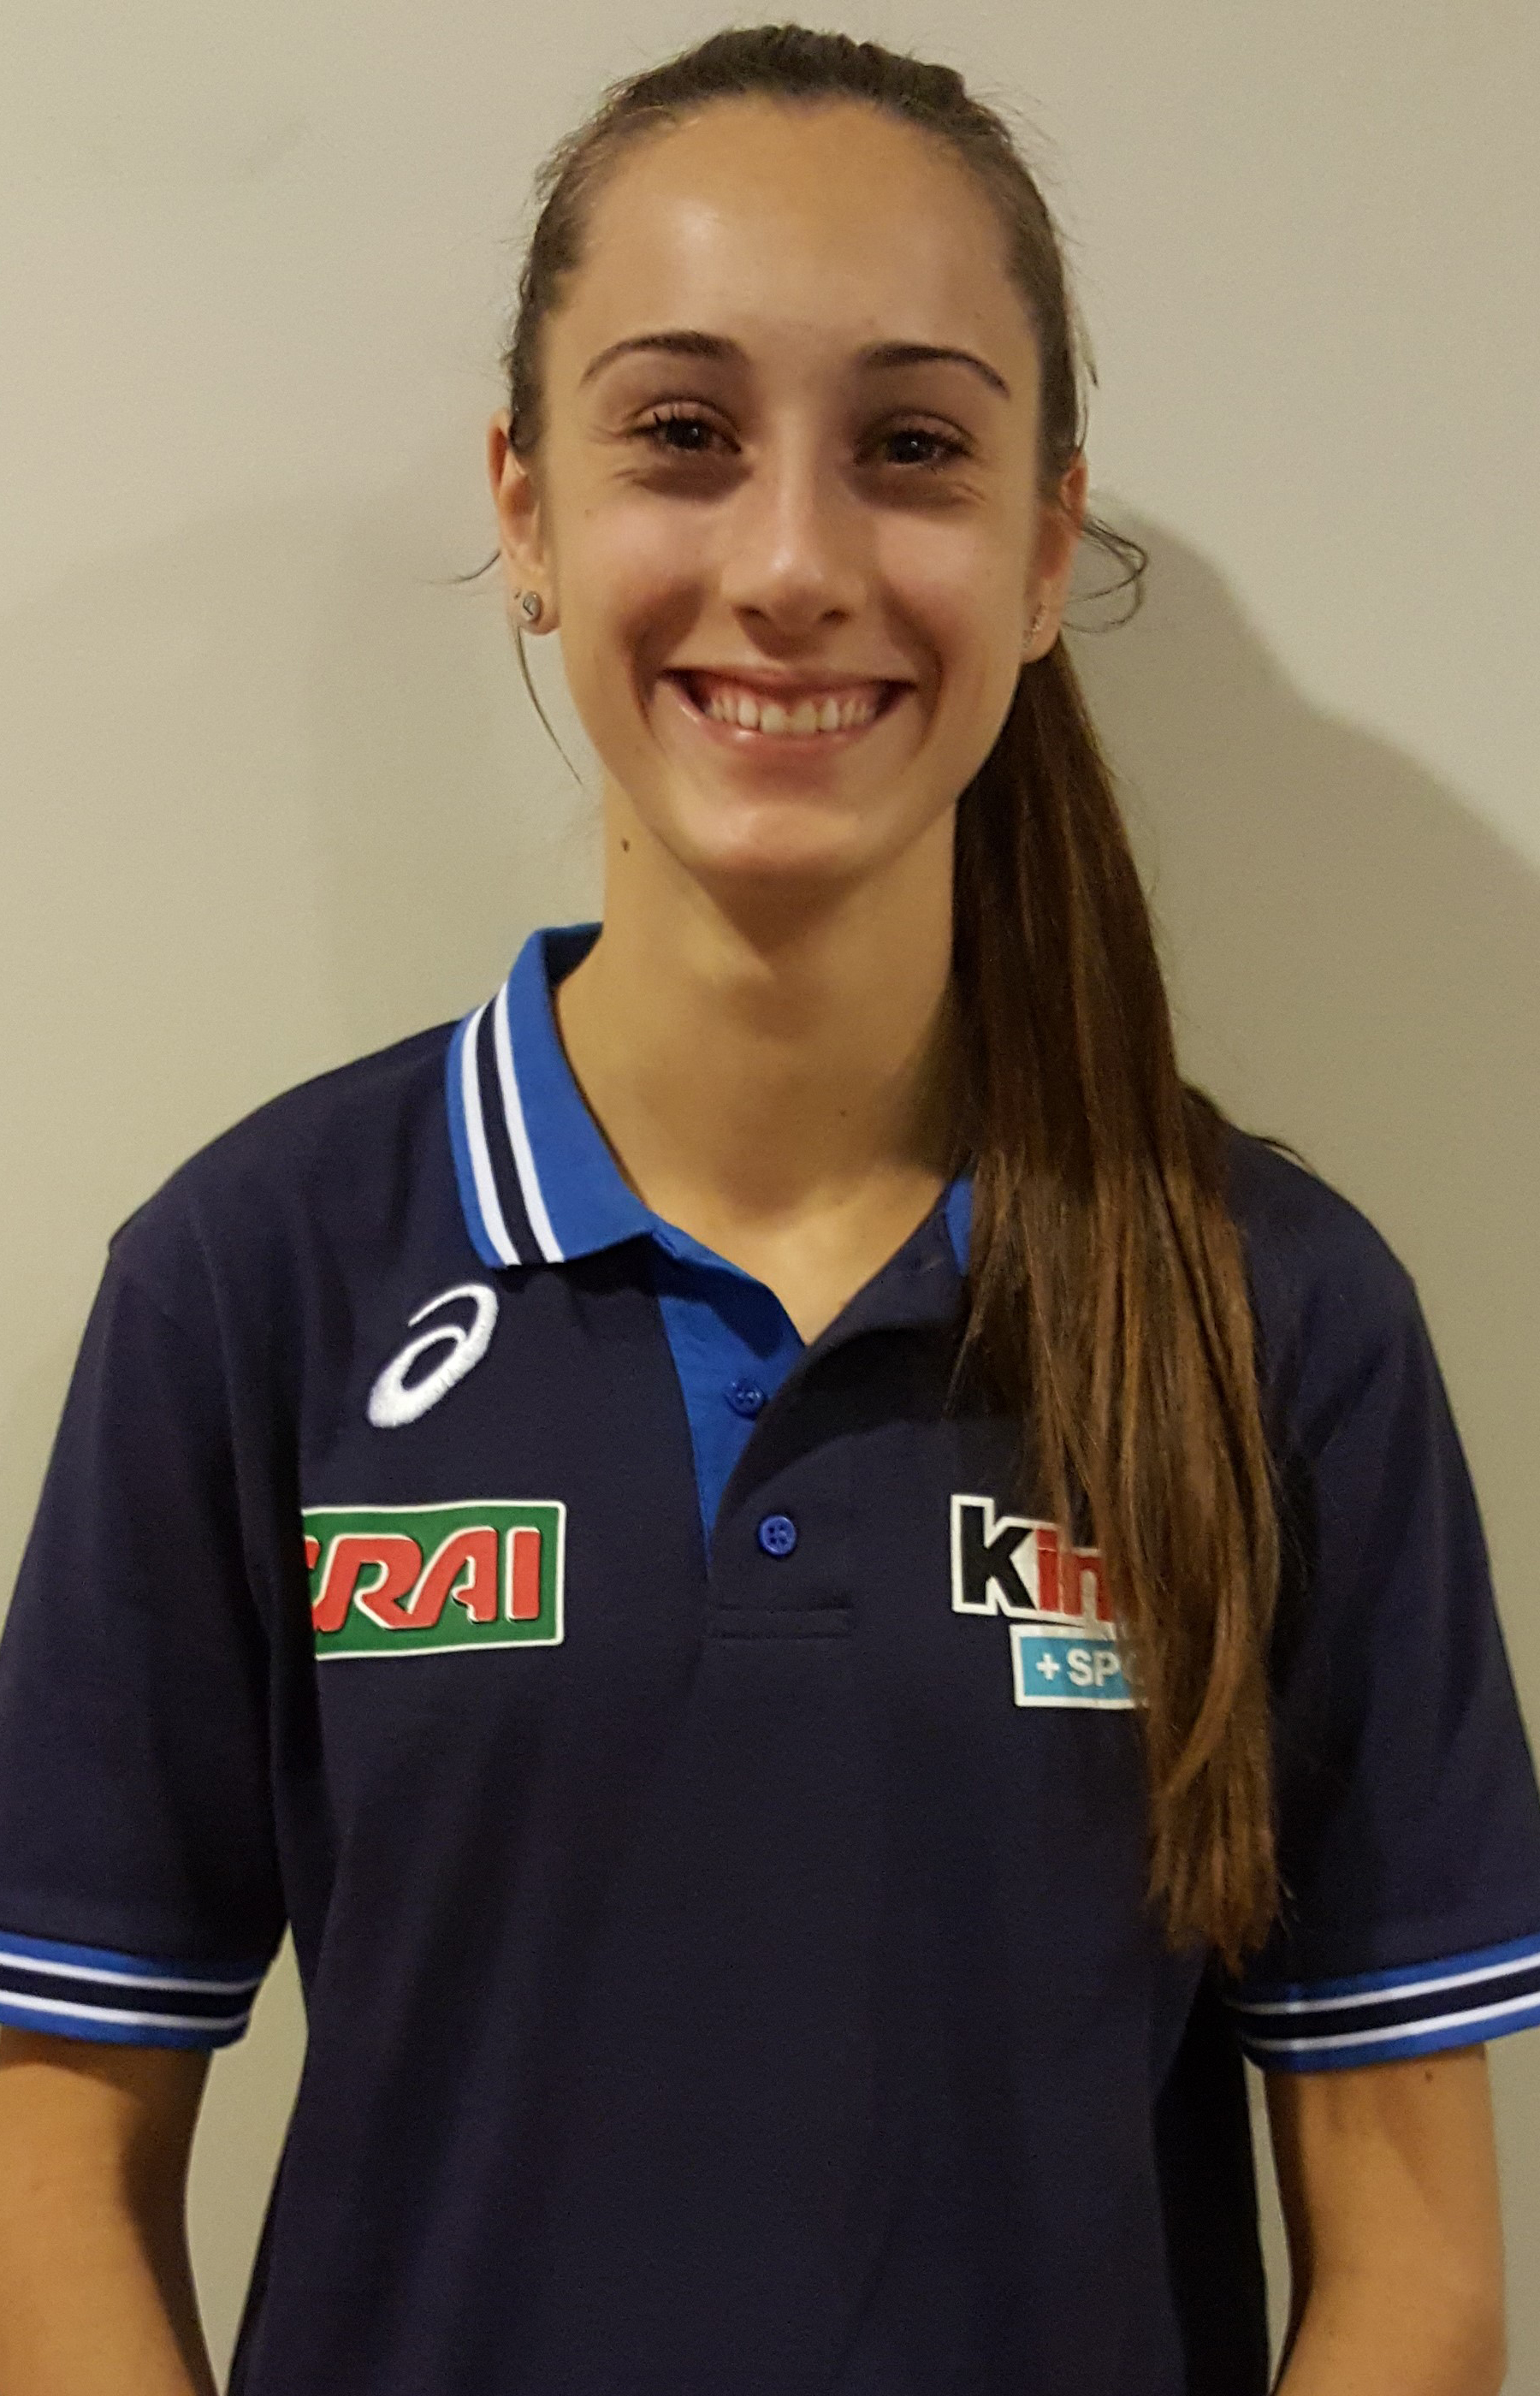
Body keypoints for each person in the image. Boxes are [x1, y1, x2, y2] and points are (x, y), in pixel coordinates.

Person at [0, 23, 1537, 2396]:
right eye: (683, 433)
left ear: (1044, 549)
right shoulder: (254, 1280)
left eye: (912, 448)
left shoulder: (1273, 1318)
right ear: (526, 511)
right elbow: (56, 2172)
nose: (795, 562)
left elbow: (1416, 2269)